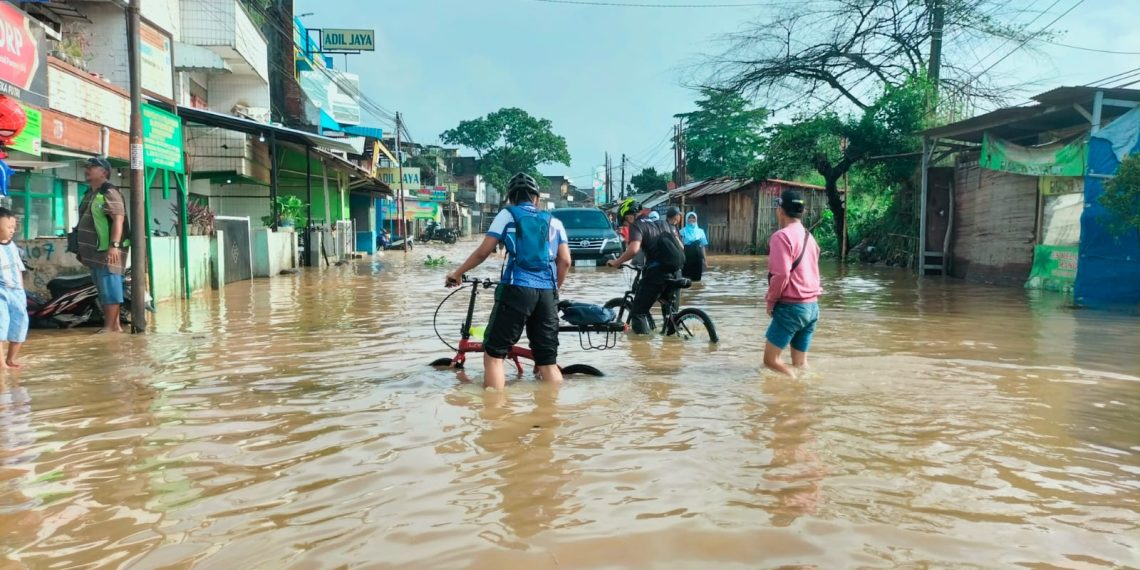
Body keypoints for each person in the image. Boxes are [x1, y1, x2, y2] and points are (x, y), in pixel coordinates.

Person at [445, 173, 572, 390]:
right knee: (547, 362)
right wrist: (553, 291)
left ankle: (494, 414)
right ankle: (553, 412)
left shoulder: (507, 214)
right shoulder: (555, 222)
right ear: (536, 198)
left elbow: (482, 252)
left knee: (494, 354)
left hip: (517, 288)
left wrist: (456, 273)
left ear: (511, 198)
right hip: (547, 294)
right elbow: (566, 262)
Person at [763, 189, 822, 377]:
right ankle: (803, 394)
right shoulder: (809, 237)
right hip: (812, 307)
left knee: (771, 361)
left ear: (780, 210)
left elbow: (780, 275)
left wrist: (771, 301)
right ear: (802, 212)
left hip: (792, 307)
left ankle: (793, 387)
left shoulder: (781, 237)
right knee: (801, 363)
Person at [606, 198, 687, 334]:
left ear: (629, 216)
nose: (626, 226)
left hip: (658, 274)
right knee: (670, 310)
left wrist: (616, 262)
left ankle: (643, 350)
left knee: (638, 313)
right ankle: (672, 339)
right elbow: (681, 246)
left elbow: (633, 250)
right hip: (676, 270)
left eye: (624, 222)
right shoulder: (662, 223)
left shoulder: (637, 226)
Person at [77, 156, 128, 334]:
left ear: (104, 172)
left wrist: (114, 245)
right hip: (95, 252)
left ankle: (109, 327)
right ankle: (115, 327)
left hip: (108, 251)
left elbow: (118, 219)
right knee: (103, 289)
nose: (87, 169)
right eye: (87, 167)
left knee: (110, 288)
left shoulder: (109, 191)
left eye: (92, 167)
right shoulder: (91, 193)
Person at [0, 209, 27, 368]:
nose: (12, 230)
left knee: (20, 323)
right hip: (1, 291)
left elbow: (18, 269)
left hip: (16, 291)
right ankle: (1, 363)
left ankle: (11, 359)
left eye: (13, 227)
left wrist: (21, 292)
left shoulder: (12, 246)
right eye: (8, 226)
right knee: (1, 324)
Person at [680, 211, 709, 282]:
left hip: (698, 259)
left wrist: (705, 260)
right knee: (685, 278)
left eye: (693, 218)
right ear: (686, 219)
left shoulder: (701, 231)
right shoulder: (682, 231)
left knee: (697, 279)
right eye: (689, 218)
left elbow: (702, 247)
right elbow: (680, 246)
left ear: (696, 219)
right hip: (686, 258)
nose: (691, 219)